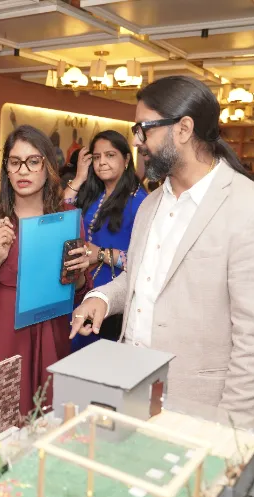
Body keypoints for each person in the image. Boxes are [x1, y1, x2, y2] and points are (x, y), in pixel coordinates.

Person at [70, 76, 254, 417]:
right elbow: (141, 278)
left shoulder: (251, 212)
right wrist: (102, 298)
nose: (137, 141)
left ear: (184, 129)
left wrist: (229, 430)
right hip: (131, 384)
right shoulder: (151, 204)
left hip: (196, 403)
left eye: (143, 129)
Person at [0, 125, 92, 414]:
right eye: (15, 162)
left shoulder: (66, 217)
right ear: (6, 168)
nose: (23, 171)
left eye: (33, 161)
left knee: (47, 414)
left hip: (49, 326)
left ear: (47, 167)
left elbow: (78, 289)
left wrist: (77, 273)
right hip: (1, 326)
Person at [65, 130, 148, 351]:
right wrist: (80, 178)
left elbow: (145, 263)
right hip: (82, 288)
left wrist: (101, 254)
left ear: (127, 159)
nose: (102, 162)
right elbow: (61, 215)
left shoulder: (140, 203)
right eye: (96, 157)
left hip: (114, 299)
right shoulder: (95, 195)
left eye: (110, 155)